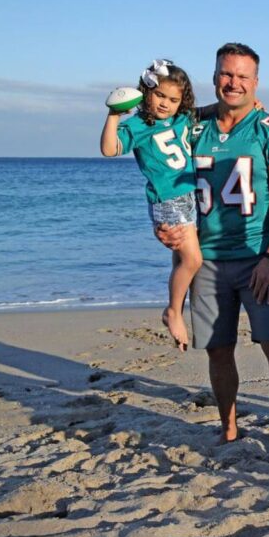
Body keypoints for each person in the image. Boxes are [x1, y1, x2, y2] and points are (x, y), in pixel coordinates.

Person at [158, 43, 269, 447]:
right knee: (218, 351)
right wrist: (166, 227)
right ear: (215, 76)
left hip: (259, 257)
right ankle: (228, 427)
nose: (233, 82)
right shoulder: (191, 127)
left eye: (242, 76)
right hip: (206, 260)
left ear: (256, 82)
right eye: (226, 74)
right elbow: (164, 177)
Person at [100, 60, 202, 352]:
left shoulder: (182, 118)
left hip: (189, 196)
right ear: (146, 91)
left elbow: (209, 114)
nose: (165, 104)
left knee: (181, 260)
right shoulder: (139, 124)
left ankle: (177, 309)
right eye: (159, 96)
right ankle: (173, 311)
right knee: (193, 260)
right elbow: (109, 149)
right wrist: (114, 115)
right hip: (167, 200)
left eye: (173, 99)